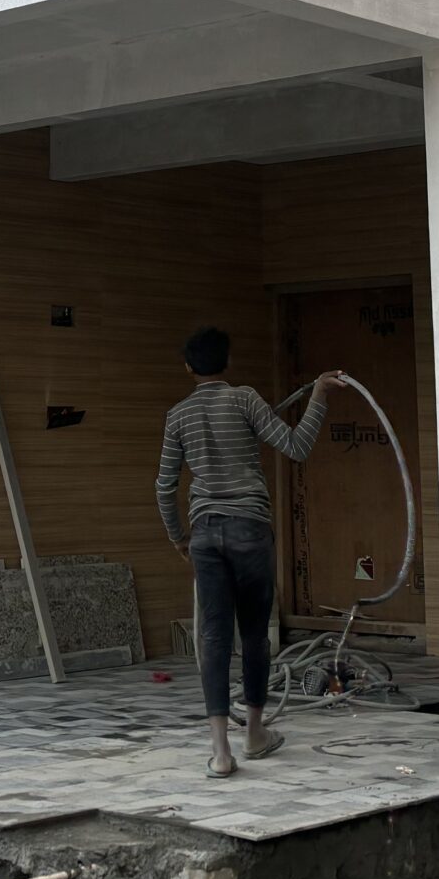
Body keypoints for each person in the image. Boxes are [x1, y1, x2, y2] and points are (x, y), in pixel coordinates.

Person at [153, 326, 333, 777]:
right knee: (254, 635)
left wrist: (178, 537)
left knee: (214, 637)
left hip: (205, 534)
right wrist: (320, 394)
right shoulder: (246, 399)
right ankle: (254, 734)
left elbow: (164, 486)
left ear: (188, 367)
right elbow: (297, 446)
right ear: (227, 362)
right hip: (250, 529)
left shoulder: (178, 415)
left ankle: (220, 753)